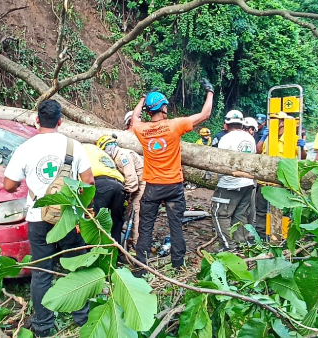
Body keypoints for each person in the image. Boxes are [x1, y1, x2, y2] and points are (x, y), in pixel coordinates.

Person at [3, 100, 94, 337]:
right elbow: (89, 182)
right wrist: (82, 206)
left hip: (37, 217)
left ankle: (43, 325)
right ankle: (82, 317)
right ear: (61, 121)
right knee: (77, 268)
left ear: (37, 120)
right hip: (68, 218)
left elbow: (9, 185)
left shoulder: (25, 148)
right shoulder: (74, 146)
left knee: (42, 272)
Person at [130, 80, 214, 270]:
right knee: (176, 226)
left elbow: (134, 117)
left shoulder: (141, 129)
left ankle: (140, 269)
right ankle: (178, 266)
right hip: (174, 186)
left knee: (145, 229)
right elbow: (205, 114)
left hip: (152, 187)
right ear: (163, 108)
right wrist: (210, 91)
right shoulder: (175, 125)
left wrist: (143, 98)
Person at [211, 110, 256, 251]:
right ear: (242, 124)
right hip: (248, 183)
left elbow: (220, 162)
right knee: (240, 215)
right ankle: (240, 245)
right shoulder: (250, 138)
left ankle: (229, 246)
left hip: (229, 184)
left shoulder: (226, 139)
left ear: (226, 125)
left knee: (219, 214)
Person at [96, 134, 145, 247]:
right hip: (135, 185)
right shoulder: (117, 157)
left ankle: (137, 244)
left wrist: (125, 194)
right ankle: (129, 241)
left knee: (136, 213)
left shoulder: (123, 155)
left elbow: (132, 180)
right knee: (128, 213)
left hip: (142, 183)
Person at [83, 143, 126, 244]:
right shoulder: (101, 154)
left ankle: (94, 252)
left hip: (101, 183)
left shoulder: (81, 149)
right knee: (117, 221)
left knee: (95, 220)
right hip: (119, 185)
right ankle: (114, 252)